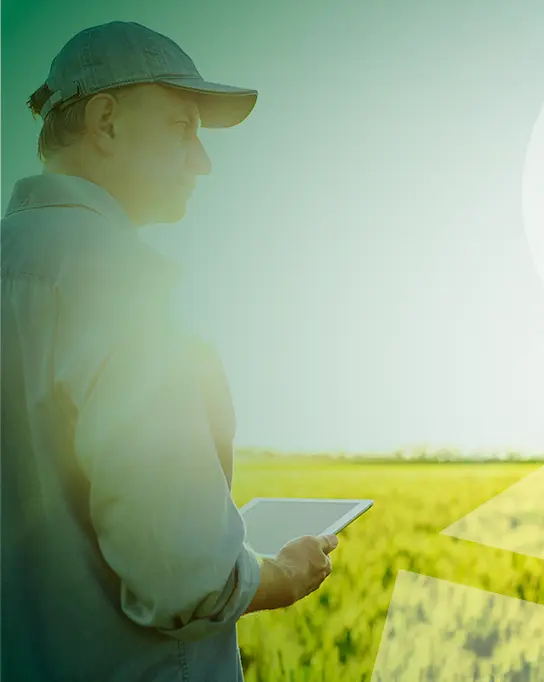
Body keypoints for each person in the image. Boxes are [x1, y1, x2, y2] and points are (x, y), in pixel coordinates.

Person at [1, 21, 336, 682]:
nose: (203, 161)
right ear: (106, 122)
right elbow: (181, 574)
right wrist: (283, 574)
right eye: (182, 129)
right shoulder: (123, 284)